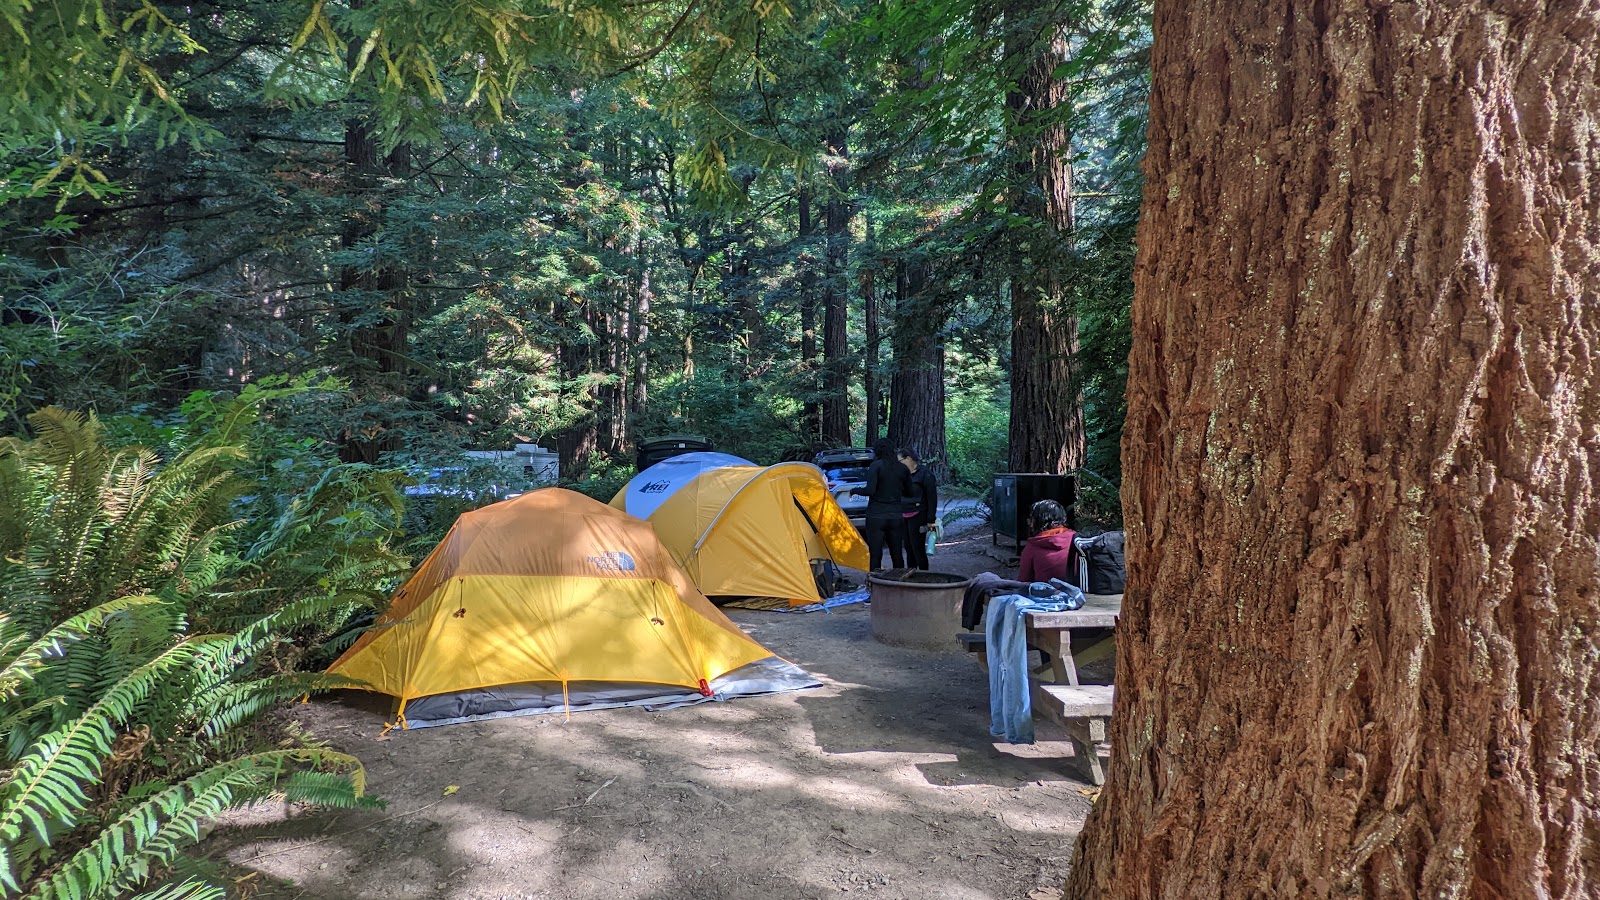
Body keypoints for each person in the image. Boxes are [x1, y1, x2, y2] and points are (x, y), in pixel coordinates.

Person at [853, 438, 911, 570]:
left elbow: (870, 490)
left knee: (875, 554)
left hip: (876, 515)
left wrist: (855, 490)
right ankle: (899, 581)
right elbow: (909, 491)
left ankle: (876, 582)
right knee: (897, 554)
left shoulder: (876, 466)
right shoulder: (902, 468)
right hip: (896, 515)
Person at [1018, 499, 1077, 583]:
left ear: (1037, 521)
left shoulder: (1033, 547)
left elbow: (1023, 582)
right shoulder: (1076, 540)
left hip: (1046, 594)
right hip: (1078, 593)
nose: (1029, 524)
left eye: (1031, 519)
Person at [898, 448, 938, 570]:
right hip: (903, 514)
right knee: (908, 547)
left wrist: (931, 519)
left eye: (900, 460)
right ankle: (911, 573)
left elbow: (932, 498)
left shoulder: (925, 474)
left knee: (917, 547)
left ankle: (923, 574)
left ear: (908, 459)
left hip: (919, 514)